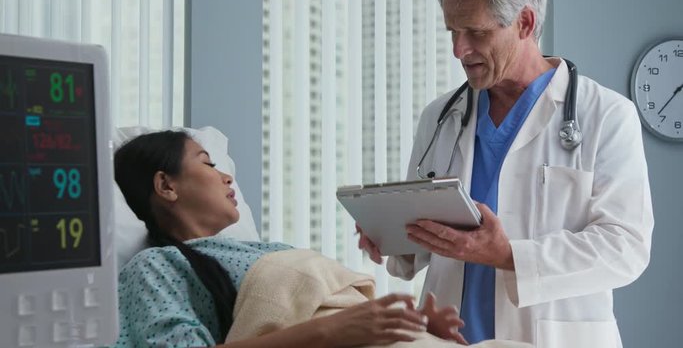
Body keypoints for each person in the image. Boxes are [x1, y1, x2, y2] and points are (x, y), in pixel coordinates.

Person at [357, 0, 654, 346]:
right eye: (453, 31)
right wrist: (389, 233)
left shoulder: (606, 116)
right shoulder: (440, 117)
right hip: (448, 339)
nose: (458, 50)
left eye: (476, 33)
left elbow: (626, 248)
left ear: (524, 23)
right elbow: (427, 241)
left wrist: (510, 256)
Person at [112, 130, 470, 348]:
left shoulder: (261, 252)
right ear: (166, 186)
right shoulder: (154, 266)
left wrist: (415, 327)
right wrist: (332, 331)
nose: (226, 177)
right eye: (207, 164)